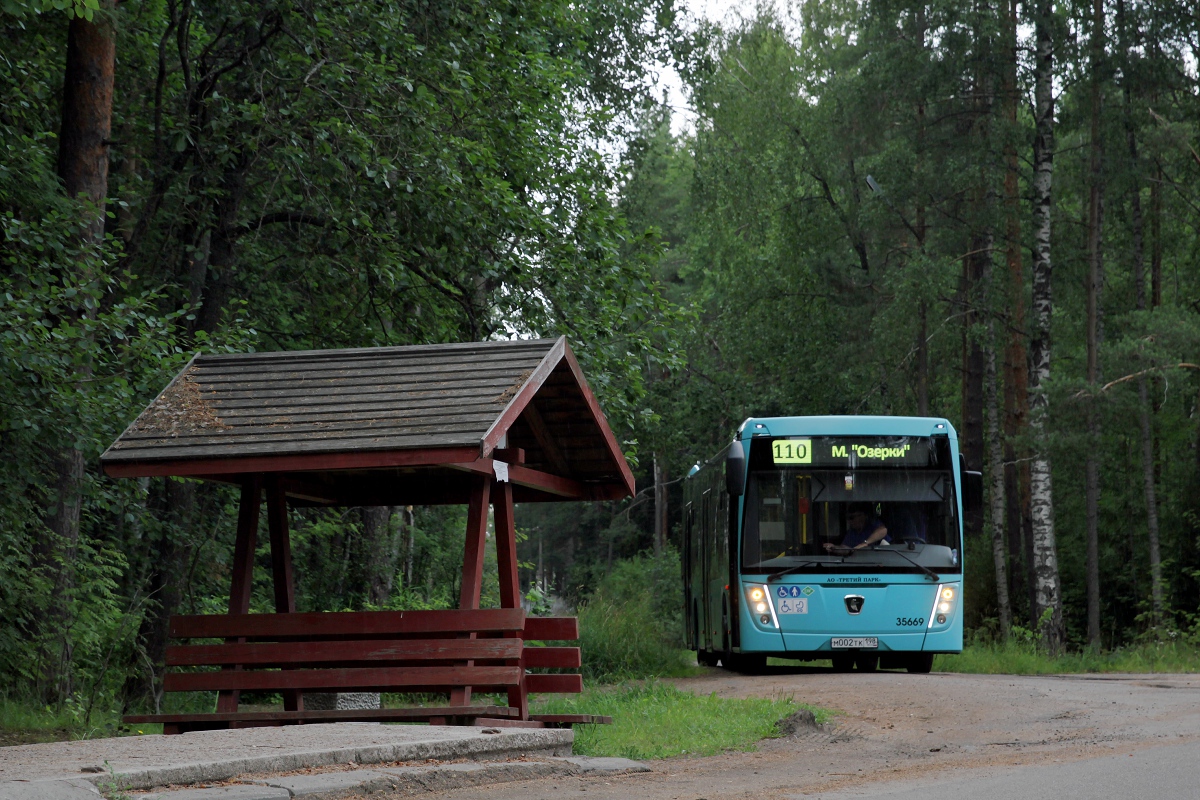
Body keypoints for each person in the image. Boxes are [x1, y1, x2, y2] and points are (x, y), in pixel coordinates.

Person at [824, 502, 890, 552]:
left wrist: (865, 543)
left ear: (862, 516)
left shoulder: (873, 525)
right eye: (848, 518)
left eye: (851, 518)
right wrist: (835, 548)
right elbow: (847, 549)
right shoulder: (852, 532)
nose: (849, 521)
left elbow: (883, 530)